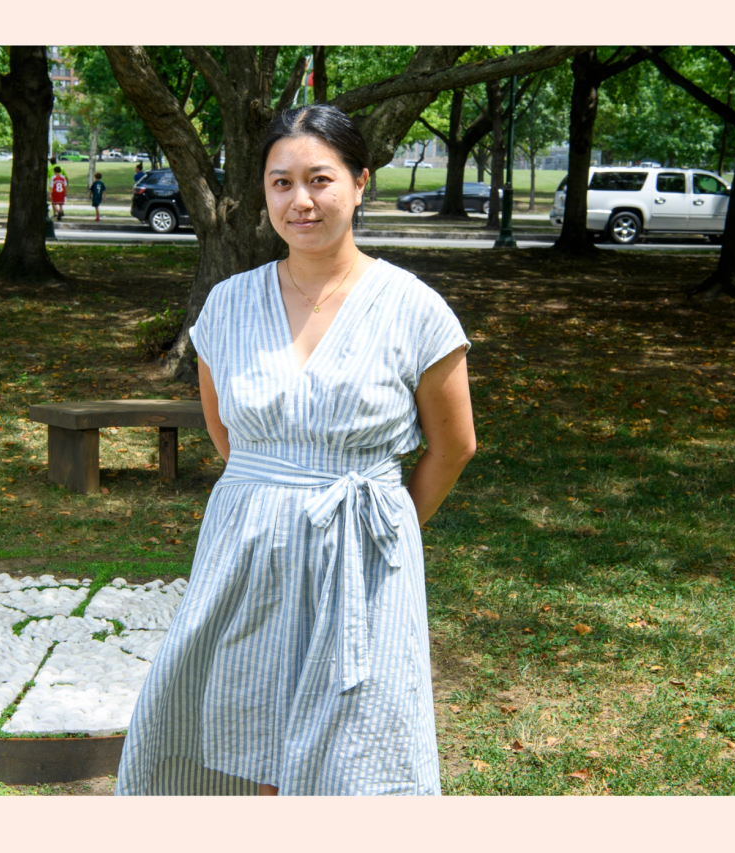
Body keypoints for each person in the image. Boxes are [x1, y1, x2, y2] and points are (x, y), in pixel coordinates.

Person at [113, 104, 477, 796]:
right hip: (244, 550)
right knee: (235, 729)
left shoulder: (414, 308)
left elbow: (454, 445)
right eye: (280, 183)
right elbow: (229, 436)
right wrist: (275, 500)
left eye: (319, 179)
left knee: (356, 751)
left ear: (361, 182)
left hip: (361, 558)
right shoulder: (226, 304)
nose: (299, 200)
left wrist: (386, 527)